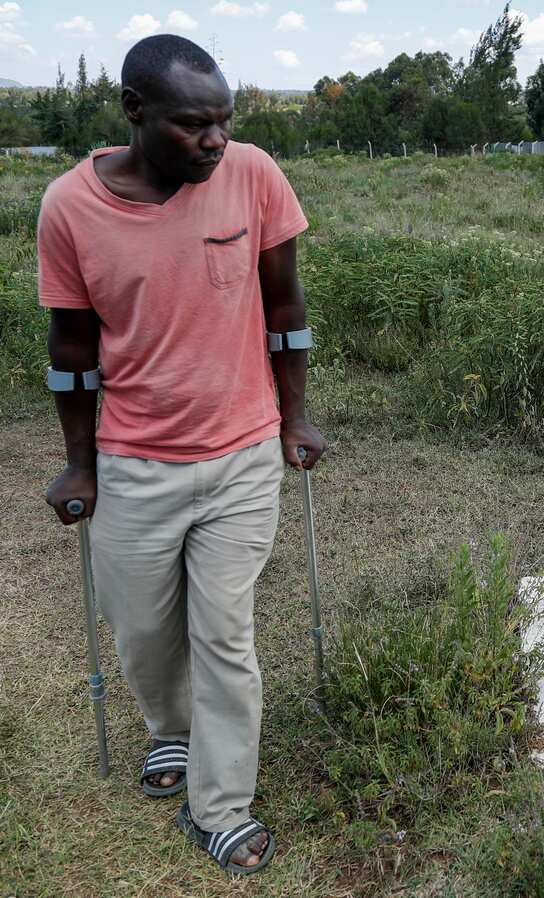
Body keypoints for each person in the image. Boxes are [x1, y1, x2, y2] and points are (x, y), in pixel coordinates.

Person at [39, 33, 325, 875]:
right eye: (195, 124)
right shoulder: (69, 207)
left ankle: (222, 804)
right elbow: (71, 351)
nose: (216, 142)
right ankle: (170, 730)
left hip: (240, 453)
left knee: (225, 634)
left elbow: (286, 307)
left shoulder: (253, 176)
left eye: (225, 121)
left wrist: (295, 417)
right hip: (135, 460)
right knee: (144, 633)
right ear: (135, 112)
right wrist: (80, 463)